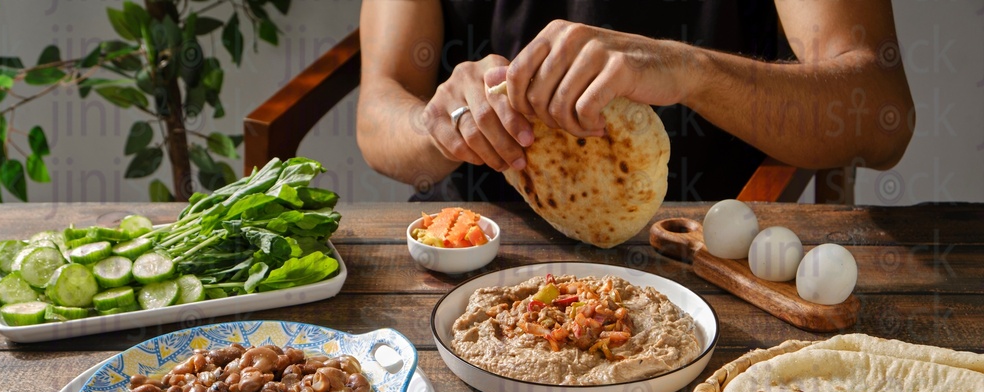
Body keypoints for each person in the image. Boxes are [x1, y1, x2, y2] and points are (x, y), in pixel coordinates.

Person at [355, 0, 914, 203]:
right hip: (478, 250)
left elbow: (880, 114)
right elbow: (379, 108)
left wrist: (693, 70)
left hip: (707, 264)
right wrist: (442, 127)